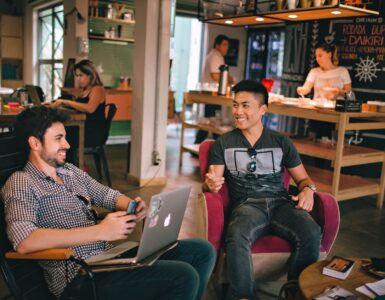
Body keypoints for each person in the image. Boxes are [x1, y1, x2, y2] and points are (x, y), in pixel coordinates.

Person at [1, 106, 216, 300]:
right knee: (183, 276)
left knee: (201, 251)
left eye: (65, 137)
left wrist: (132, 206)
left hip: (108, 260)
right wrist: (100, 231)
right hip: (79, 277)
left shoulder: (69, 172)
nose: (66, 144)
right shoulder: (21, 182)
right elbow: (24, 241)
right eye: (58, 138)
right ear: (34, 143)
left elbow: (107, 195)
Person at [203, 80, 321, 300]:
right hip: (247, 205)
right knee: (237, 234)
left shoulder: (281, 142)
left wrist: (308, 190)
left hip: (281, 203)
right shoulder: (223, 143)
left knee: (311, 231)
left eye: (245, 105)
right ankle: (244, 296)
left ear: (263, 110)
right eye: (235, 105)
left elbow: (304, 179)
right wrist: (209, 185)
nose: (238, 112)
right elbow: (212, 180)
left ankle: (296, 294)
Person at [195, 34, 234, 144]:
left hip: (212, 94)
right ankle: (219, 148)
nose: (227, 47)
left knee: (210, 122)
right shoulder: (215, 56)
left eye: (227, 45)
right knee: (213, 122)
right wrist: (229, 78)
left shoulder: (214, 55)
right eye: (224, 45)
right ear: (217, 45)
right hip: (213, 94)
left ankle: (200, 145)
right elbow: (215, 75)